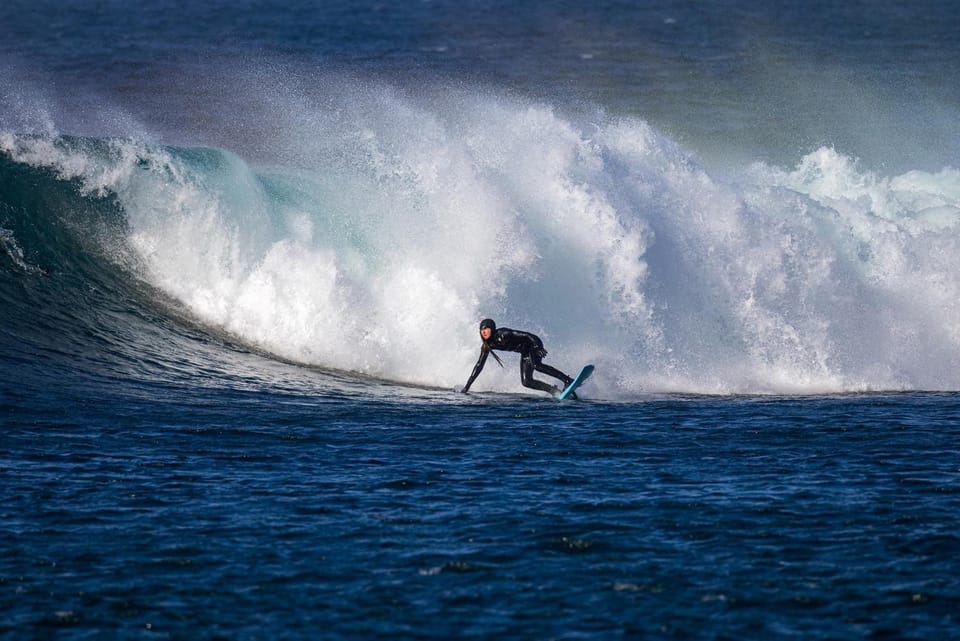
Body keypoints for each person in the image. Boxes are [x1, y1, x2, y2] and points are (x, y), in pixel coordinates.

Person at [462, 318, 574, 396]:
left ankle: (567, 380)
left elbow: (527, 335)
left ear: (492, 328)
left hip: (533, 344)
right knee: (526, 382)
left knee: (537, 365)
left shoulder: (504, 333)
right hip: (525, 352)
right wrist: (467, 386)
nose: (484, 332)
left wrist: (537, 347)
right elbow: (479, 366)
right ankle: (552, 390)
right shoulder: (487, 346)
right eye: (482, 330)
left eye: (486, 329)